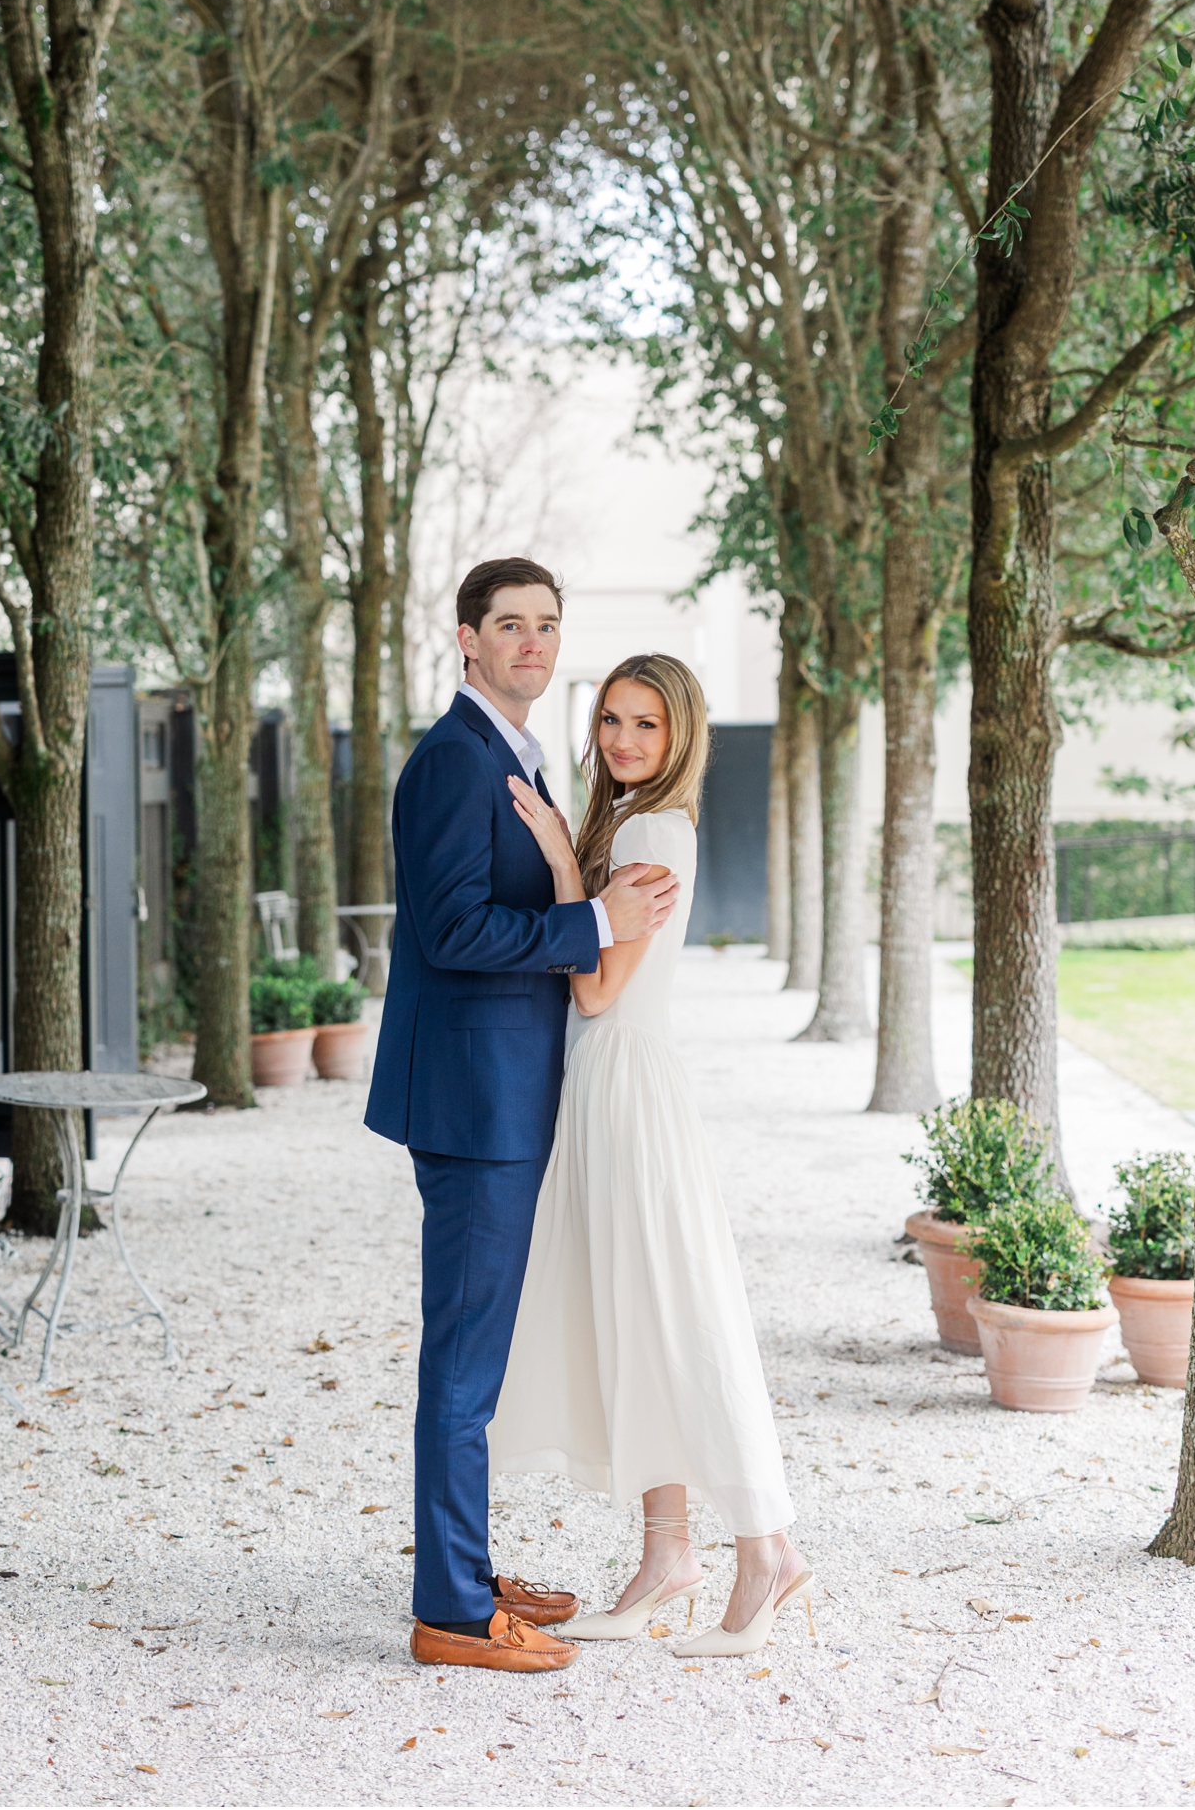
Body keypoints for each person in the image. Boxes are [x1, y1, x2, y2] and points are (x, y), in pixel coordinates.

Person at [365, 559, 682, 1675]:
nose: (533, 644)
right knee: (460, 1366)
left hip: (501, 1098)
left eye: (548, 626)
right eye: (510, 626)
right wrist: (591, 919)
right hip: (471, 1106)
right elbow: (451, 934)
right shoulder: (454, 761)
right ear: (466, 639)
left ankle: (464, 1569)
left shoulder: (516, 755)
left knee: (476, 1362)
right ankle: (449, 1613)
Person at [489, 653, 814, 1658]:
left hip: (625, 1086)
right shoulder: (631, 824)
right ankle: (665, 1553)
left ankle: (766, 1550)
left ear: (680, 739)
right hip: (613, 1086)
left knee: (675, 1314)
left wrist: (554, 860)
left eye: (647, 726)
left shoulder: (647, 829)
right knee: (636, 1319)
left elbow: (591, 990)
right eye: (613, 721)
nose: (623, 741)